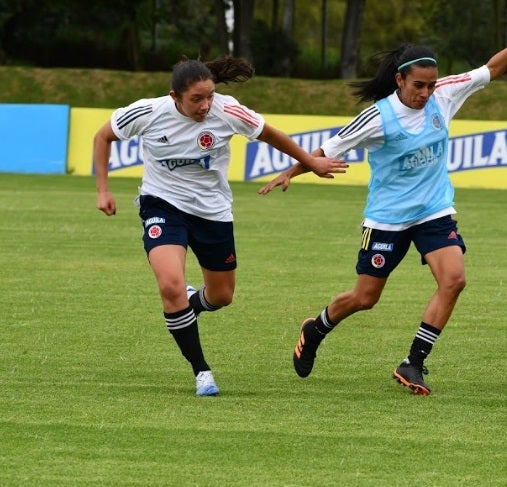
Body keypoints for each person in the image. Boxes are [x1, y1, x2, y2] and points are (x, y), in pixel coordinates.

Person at [258, 10, 507, 395]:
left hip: (434, 210)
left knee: (454, 279)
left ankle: (414, 362)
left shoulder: (444, 93)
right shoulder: (377, 118)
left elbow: (491, 69)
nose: (427, 93)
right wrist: (293, 171)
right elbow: (328, 147)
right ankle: (315, 329)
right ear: (399, 80)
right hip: (387, 218)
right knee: (365, 298)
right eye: (419, 85)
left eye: (431, 85)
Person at [94, 56, 348, 397]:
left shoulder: (228, 111)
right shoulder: (148, 112)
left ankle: (189, 307)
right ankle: (202, 371)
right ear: (175, 97)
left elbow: (271, 134)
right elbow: (102, 136)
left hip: (212, 212)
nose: (205, 105)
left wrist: (310, 162)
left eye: (209, 96)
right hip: (162, 205)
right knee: (170, 285)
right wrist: (103, 190)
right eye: (196, 99)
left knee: (222, 296)